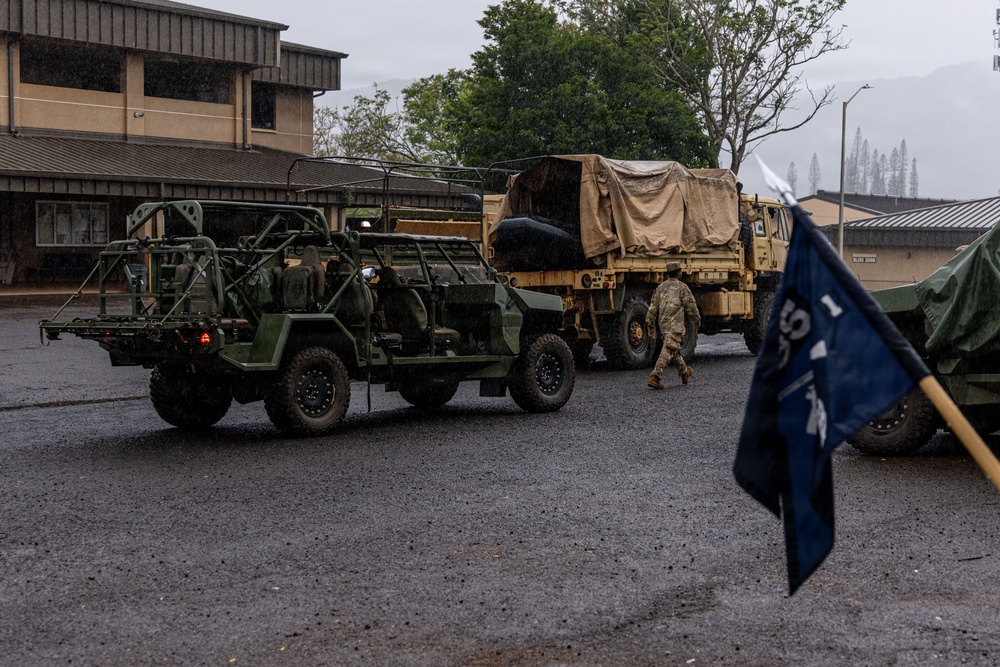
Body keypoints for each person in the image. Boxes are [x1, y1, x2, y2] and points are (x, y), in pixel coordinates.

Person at [646, 261, 701, 389]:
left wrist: (650, 324)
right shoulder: (682, 287)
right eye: (680, 271)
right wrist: (696, 320)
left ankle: (684, 373)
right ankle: (655, 377)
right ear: (678, 273)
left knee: (673, 348)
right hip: (675, 325)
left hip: (663, 325)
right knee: (669, 347)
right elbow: (691, 306)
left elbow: (652, 308)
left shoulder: (660, 288)